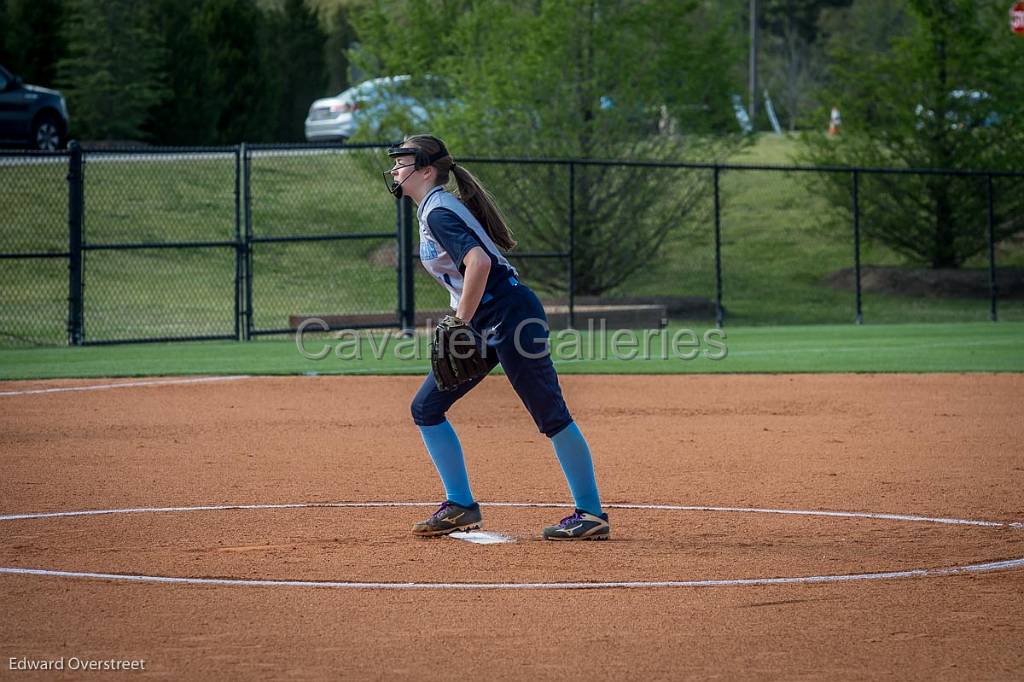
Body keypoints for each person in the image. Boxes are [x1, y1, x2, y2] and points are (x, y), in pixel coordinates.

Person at [384, 134, 609, 541]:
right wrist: (466, 321)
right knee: (426, 407)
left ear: (427, 170)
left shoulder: (438, 211)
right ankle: (460, 506)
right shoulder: (434, 209)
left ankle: (591, 513)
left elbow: (479, 262)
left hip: (510, 314)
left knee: (550, 413)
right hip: (488, 318)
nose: (396, 169)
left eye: (402, 162)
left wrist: (458, 321)